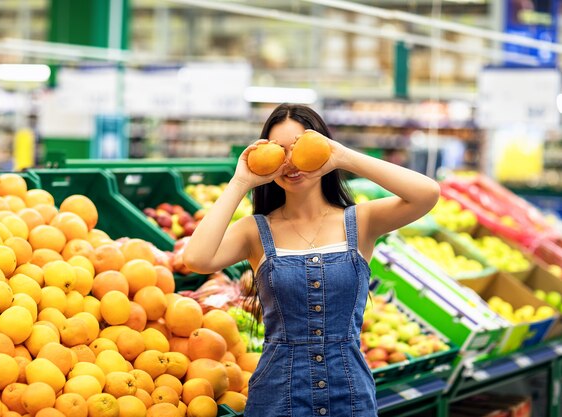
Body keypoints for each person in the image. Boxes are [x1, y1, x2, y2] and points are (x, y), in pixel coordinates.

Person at [183, 103, 440, 416]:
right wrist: (241, 181)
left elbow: (427, 193)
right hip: (278, 400)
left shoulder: (361, 221)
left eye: (299, 146)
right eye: (279, 150)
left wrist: (342, 156)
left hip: (351, 399)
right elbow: (196, 258)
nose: (291, 162)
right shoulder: (254, 231)